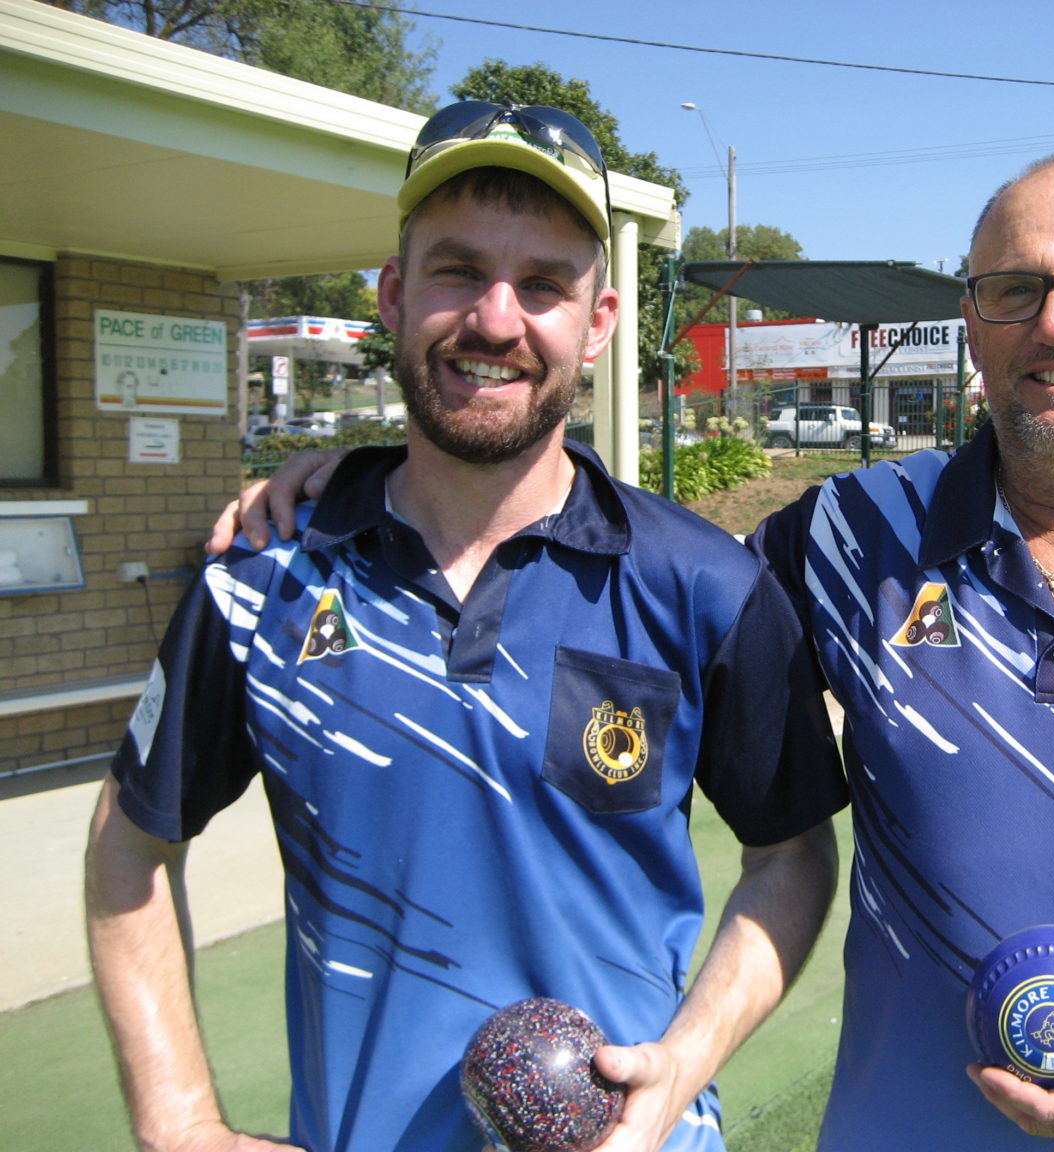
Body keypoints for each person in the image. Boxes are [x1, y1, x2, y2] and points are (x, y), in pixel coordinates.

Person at [215, 155, 1054, 1151]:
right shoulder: (858, 539)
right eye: (1014, 291)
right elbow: (600, 550)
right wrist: (380, 479)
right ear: (973, 323)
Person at [88, 101, 845, 1152]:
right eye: (457, 271)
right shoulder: (262, 581)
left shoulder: (705, 588)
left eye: (544, 285)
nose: (497, 320)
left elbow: (793, 857)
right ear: (393, 296)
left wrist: (685, 1068)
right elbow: (128, 849)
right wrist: (177, 1125)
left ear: (601, 319)